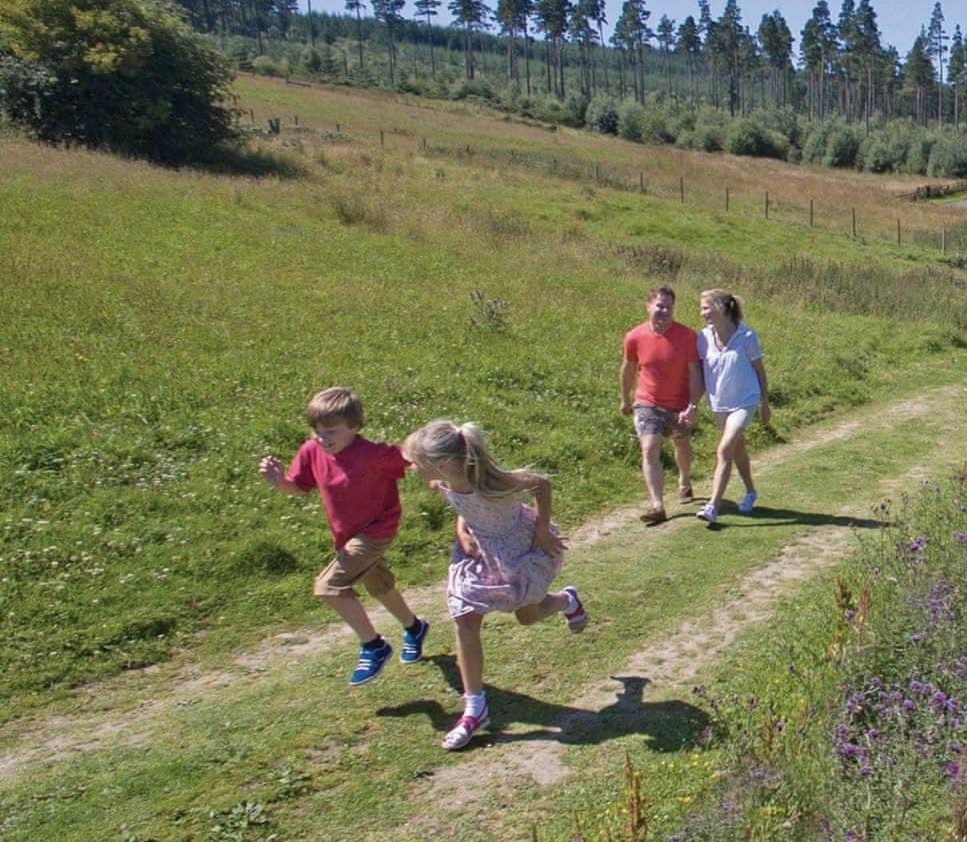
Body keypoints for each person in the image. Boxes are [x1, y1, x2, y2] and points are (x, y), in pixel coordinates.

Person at [403, 420, 586, 750]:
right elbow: (462, 505)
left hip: (517, 550)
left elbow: (541, 484)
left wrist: (542, 531)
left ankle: (566, 600)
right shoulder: (442, 480)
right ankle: (475, 708)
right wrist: (462, 531)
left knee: (527, 616)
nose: (413, 467)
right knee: (464, 617)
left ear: (442, 463)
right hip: (476, 553)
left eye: (417, 462)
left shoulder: (490, 481)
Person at [258, 387, 429, 686]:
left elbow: (415, 459)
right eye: (317, 431)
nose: (323, 438)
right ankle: (415, 628)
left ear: (354, 426)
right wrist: (279, 481)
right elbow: (298, 486)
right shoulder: (312, 450)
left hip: (376, 532)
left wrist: (450, 463)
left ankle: (373, 646)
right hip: (347, 537)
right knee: (380, 587)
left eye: (331, 431)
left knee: (328, 587)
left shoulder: (373, 454)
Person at [620, 285, 704, 526]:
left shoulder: (687, 336)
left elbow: (695, 373)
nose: (664, 311)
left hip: (679, 404)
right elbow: (627, 368)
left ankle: (684, 480)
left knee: (682, 443)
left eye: (669, 306)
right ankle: (657, 505)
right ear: (648, 307)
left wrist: (693, 405)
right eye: (660, 306)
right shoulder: (635, 336)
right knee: (649, 447)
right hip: (647, 403)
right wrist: (625, 399)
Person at [694, 289, 770, 524]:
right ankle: (750, 491)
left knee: (725, 448)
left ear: (720, 307)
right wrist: (691, 405)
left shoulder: (746, 336)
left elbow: (760, 371)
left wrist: (765, 404)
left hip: (746, 401)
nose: (702, 312)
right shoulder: (703, 338)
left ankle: (712, 506)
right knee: (737, 450)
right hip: (719, 403)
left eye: (706, 308)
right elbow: (697, 374)